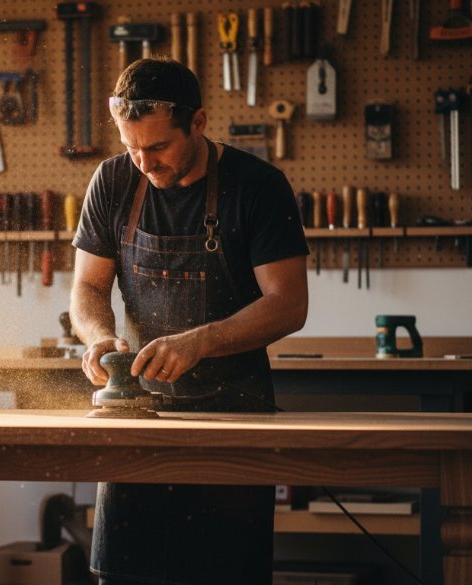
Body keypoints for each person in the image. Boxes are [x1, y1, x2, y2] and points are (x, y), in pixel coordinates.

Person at [69, 57, 310, 584]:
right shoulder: (113, 181)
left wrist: (201, 341)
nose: (144, 163)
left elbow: (288, 303)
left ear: (198, 123)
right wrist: (98, 335)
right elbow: (87, 287)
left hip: (234, 423)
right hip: (138, 425)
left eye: (158, 147)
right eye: (132, 147)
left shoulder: (257, 186)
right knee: (123, 574)